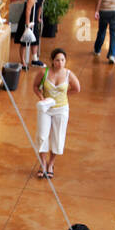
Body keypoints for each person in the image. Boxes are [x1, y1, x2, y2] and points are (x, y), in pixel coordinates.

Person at [33, 47, 81, 180]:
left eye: (62, 60)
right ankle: (42, 163)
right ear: (52, 61)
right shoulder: (44, 72)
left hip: (61, 109)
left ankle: (51, 164)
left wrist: (65, 95)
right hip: (46, 109)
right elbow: (35, 86)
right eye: (57, 60)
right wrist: (42, 98)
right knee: (42, 136)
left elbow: (77, 88)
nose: (60, 63)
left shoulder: (68, 74)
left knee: (57, 136)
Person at [13, 0, 47, 70]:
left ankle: (35, 59)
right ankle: (23, 61)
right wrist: (27, 23)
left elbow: (40, 7)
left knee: (35, 39)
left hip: (34, 20)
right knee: (24, 41)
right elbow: (28, 9)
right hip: (27, 20)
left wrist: (38, 17)